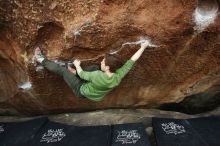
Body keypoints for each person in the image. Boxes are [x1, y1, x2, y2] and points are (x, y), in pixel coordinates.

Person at [34, 41, 149, 101]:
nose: (101, 63)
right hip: (93, 92)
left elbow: (82, 74)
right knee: (94, 67)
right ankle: (73, 73)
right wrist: (143, 47)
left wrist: (77, 65)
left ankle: (40, 59)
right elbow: (131, 61)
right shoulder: (117, 77)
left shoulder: (97, 75)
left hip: (81, 90)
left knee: (64, 71)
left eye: (103, 63)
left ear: (107, 68)